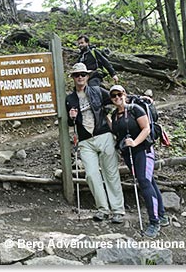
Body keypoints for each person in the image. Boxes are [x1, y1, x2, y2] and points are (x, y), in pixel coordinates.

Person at [65, 63, 125, 224]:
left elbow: (116, 99)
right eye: (77, 75)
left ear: (87, 76)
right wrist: (71, 117)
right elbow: (70, 124)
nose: (80, 77)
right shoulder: (69, 99)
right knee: (91, 175)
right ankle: (103, 209)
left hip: (103, 135)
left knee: (111, 173)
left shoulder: (97, 91)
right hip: (85, 141)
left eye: (83, 74)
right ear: (73, 77)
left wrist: (133, 101)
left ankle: (118, 210)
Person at [109, 85, 169, 238]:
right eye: (113, 96)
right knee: (149, 181)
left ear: (124, 94)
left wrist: (135, 142)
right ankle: (162, 216)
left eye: (119, 94)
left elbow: (146, 128)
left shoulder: (135, 109)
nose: (117, 97)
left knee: (144, 181)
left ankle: (154, 222)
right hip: (129, 154)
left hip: (144, 150)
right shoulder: (115, 115)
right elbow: (117, 132)